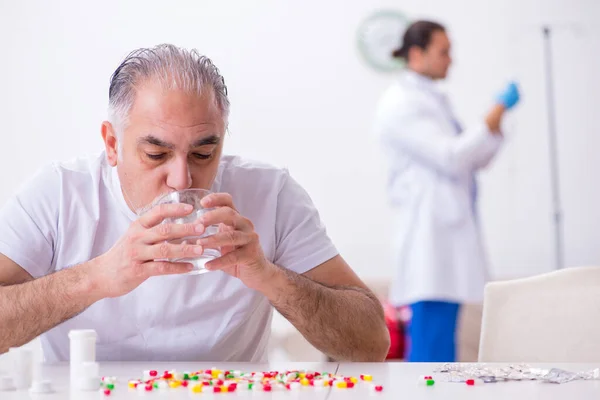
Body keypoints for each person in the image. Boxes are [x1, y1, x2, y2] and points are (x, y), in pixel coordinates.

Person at [0, 44, 390, 362]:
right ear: (112, 144)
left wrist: (267, 276)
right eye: (156, 154)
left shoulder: (271, 193)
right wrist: (99, 276)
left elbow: (372, 344)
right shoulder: (59, 194)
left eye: (203, 154)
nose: (182, 179)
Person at [373, 21, 520, 362]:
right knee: (430, 347)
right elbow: (451, 157)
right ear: (416, 54)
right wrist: (493, 113)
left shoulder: (432, 100)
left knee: (442, 343)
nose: (450, 60)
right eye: (444, 52)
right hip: (429, 235)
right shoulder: (401, 103)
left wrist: (495, 126)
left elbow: (472, 158)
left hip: (445, 235)